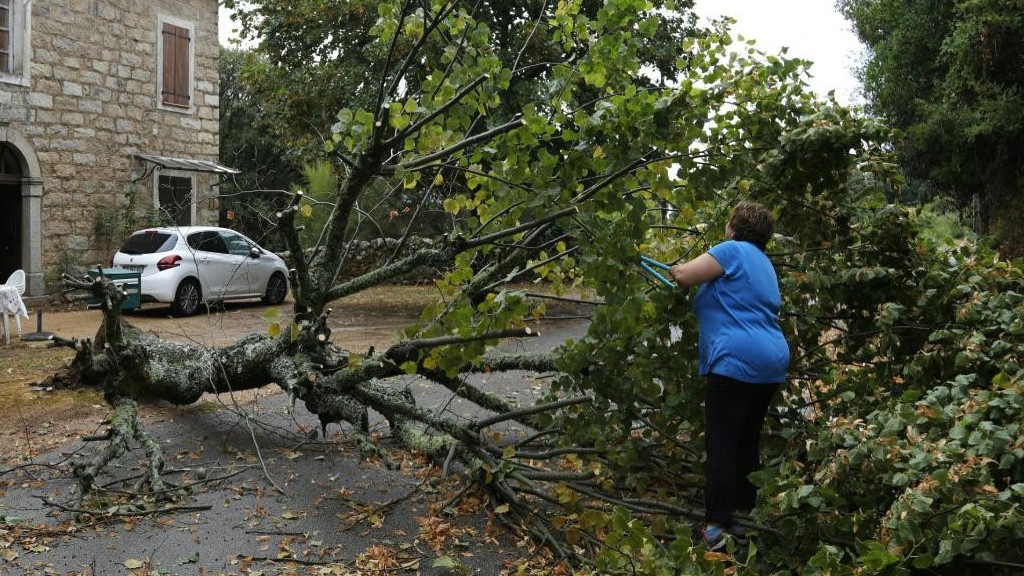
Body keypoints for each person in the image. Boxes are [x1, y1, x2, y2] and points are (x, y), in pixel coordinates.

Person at [668, 201, 789, 551]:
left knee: (721, 442)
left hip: (736, 360)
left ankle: (717, 526)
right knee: (745, 439)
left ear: (734, 227)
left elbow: (686, 276)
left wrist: (676, 271)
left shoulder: (732, 250)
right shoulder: (765, 264)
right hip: (771, 361)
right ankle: (745, 515)